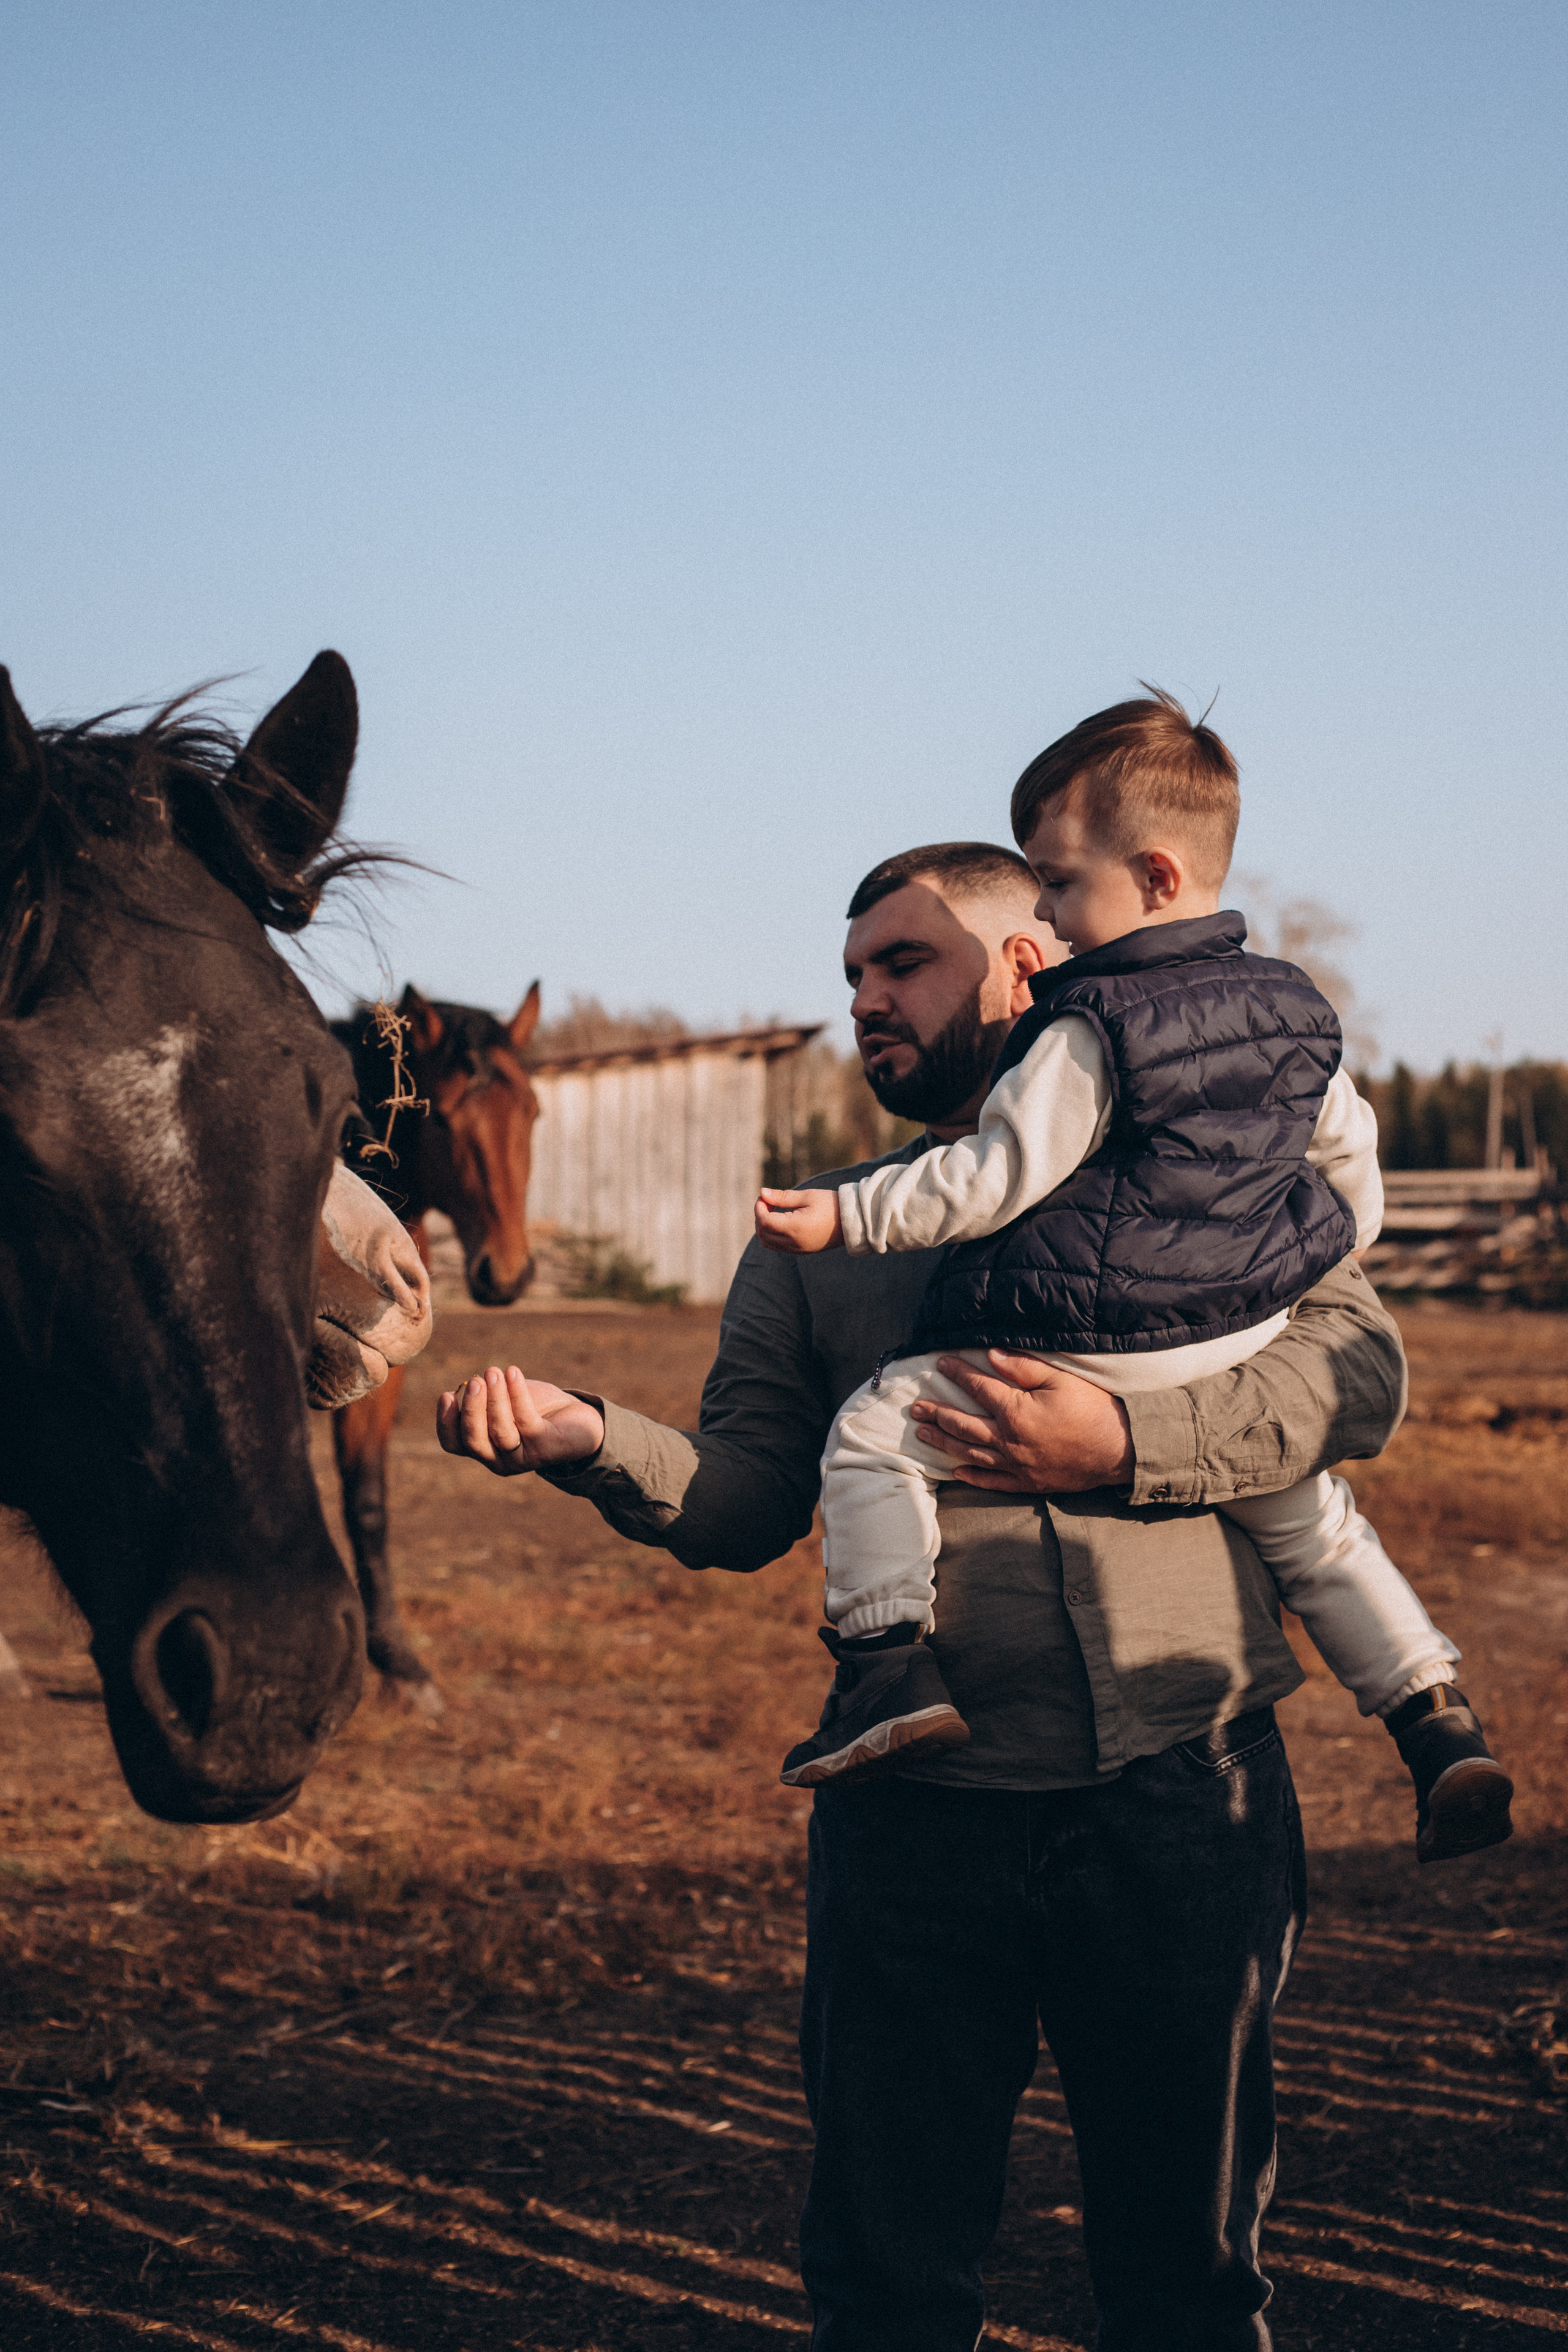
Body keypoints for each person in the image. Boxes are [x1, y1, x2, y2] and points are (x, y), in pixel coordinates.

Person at [435, 832, 1409, 2351]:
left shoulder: (1217, 1173)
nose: (863, 1002)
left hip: (1182, 1789)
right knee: (889, 2274)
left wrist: (1126, 1436)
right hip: (913, 1813)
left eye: (902, 963)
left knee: (1189, 2273)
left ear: (1026, 967)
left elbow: (1357, 1372)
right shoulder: (817, 1243)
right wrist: (588, 1442)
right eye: (849, 978)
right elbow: (752, 1499)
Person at [754, 693, 1511, 1867]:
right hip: (1239, 1324)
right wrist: (1295, 1249)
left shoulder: (1089, 1022)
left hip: (1084, 1340)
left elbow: (994, 1176)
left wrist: (848, 1214)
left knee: (875, 1431)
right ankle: (1433, 1717)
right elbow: (1353, 1169)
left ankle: (885, 1665)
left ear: (1151, 876)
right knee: (1316, 1528)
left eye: (1057, 887)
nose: (1053, 915)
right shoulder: (1295, 1011)